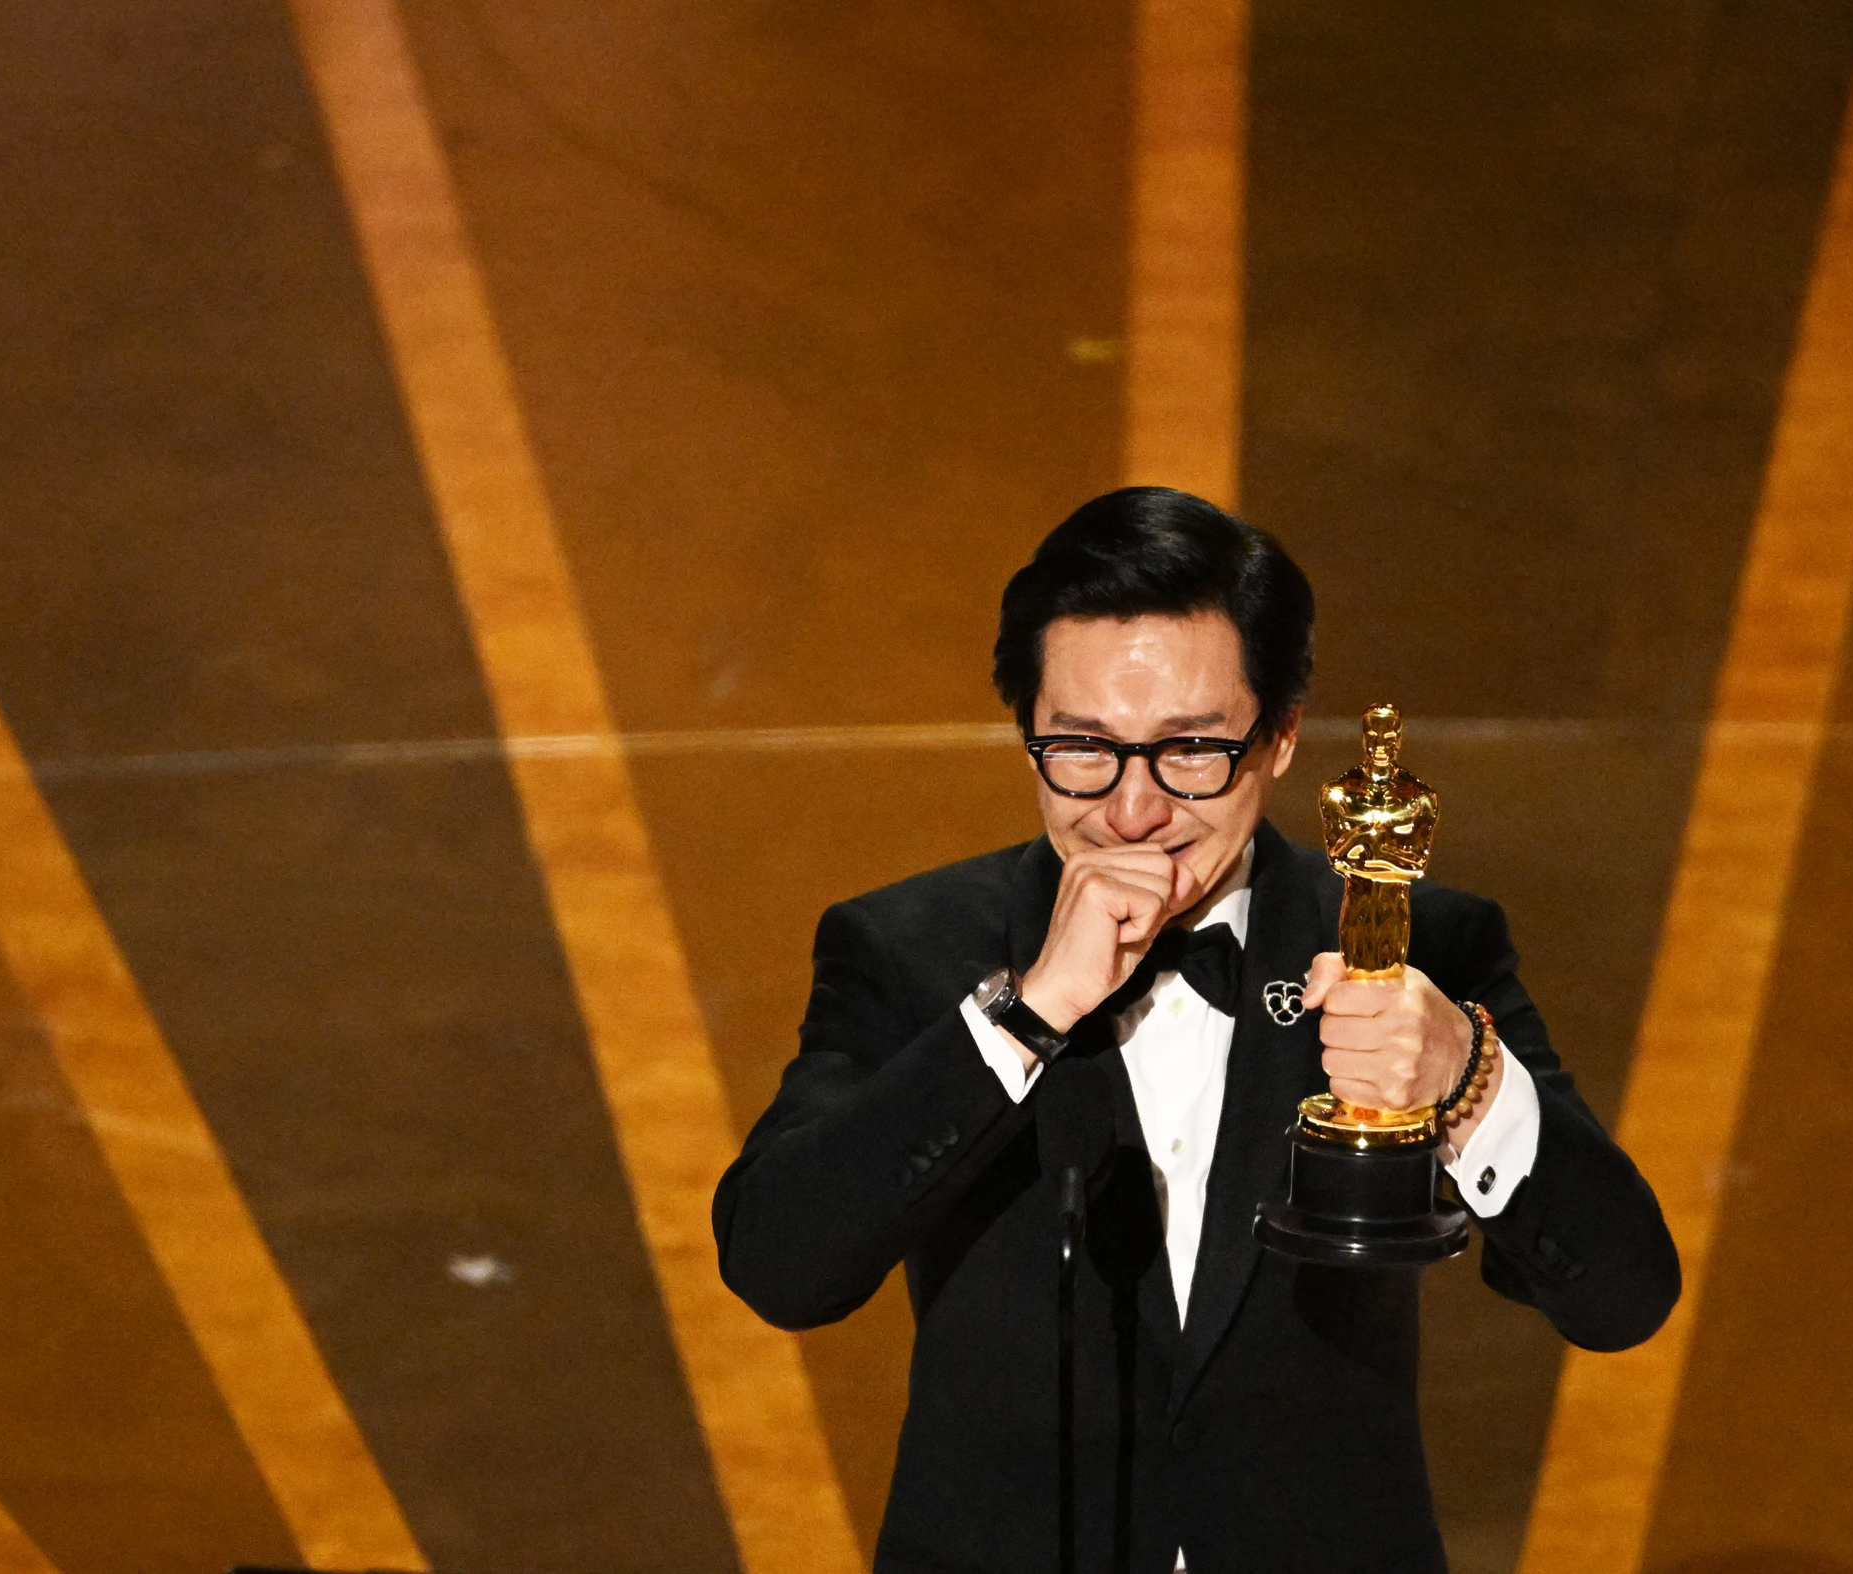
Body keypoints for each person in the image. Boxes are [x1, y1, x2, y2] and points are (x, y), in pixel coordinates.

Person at [714, 488, 1679, 1574]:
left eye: (1190, 749)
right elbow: (781, 1266)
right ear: (1026, 735)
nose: (1133, 811)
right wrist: (1026, 1013)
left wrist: (1465, 1079)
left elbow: (1621, 1296)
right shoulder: (909, 947)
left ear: (1279, 735)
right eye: (1082, 747)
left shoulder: (1412, 943)